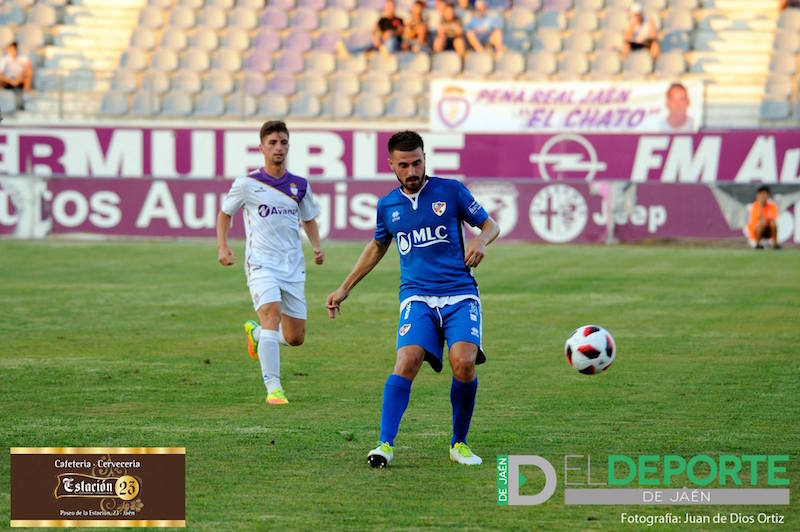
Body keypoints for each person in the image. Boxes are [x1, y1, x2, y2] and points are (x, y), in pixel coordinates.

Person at [326, 131, 499, 468]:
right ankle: (384, 444)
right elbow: (377, 245)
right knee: (407, 360)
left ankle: (459, 443)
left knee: (463, 363)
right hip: (416, 296)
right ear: (391, 165)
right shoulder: (387, 205)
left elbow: (490, 225)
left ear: (425, 158)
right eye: (403, 165)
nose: (412, 170)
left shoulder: (451, 191)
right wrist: (345, 287)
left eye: (417, 162)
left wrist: (480, 240)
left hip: (459, 293)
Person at [217, 120, 325, 405]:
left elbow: (309, 218)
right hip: (261, 264)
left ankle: (256, 334)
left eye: (284, 142)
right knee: (271, 314)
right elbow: (225, 214)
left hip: (292, 266)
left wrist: (316, 246)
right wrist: (223, 246)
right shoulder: (246, 184)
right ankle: (274, 388)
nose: (279, 148)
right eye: (273, 143)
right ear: (261, 147)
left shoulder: (299, 185)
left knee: (295, 337)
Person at [746, 185, 780, 249]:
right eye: (761, 195)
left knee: (773, 223)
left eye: (765, 194)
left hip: (767, 231)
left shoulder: (772, 206)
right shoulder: (754, 206)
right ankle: (757, 244)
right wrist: (760, 206)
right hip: (755, 233)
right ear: (757, 196)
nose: (763, 197)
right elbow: (760, 220)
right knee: (762, 223)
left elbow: (772, 219)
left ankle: (775, 245)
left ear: (768, 196)